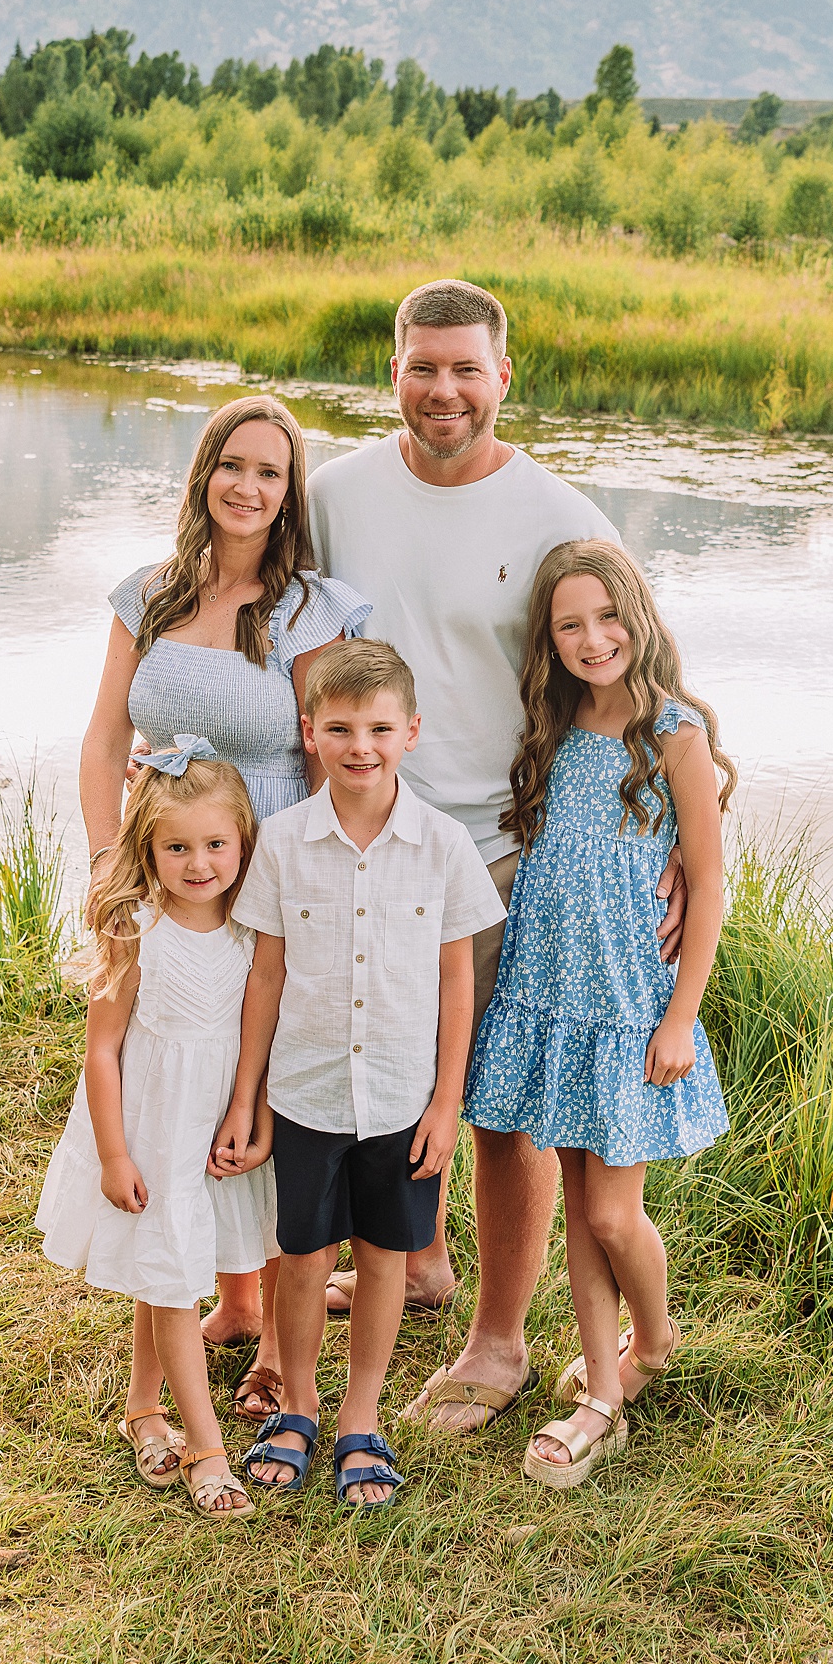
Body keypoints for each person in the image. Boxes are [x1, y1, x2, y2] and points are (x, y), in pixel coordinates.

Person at [306, 277, 689, 1435]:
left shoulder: (560, 517)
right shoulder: (334, 496)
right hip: (368, 841)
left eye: (466, 368)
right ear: (392, 373)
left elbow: (653, 679)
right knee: (367, 1060)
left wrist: (680, 837)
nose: (444, 390)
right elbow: (278, 626)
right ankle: (417, 1265)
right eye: (423, 367)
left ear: (503, 376)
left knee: (499, 1106)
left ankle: (498, 1344)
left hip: (515, 852)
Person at [80, 392, 368, 1422]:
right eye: (232, 465)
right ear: (205, 473)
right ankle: (232, 1300)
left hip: (272, 868)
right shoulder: (146, 596)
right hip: (168, 867)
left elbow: (334, 746)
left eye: (272, 472)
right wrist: (109, 873)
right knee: (184, 1067)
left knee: (279, 1092)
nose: (248, 486)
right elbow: (105, 744)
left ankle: (277, 1338)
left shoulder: (307, 610)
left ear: (290, 493)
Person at [212, 639, 507, 1511]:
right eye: (339, 727)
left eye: (379, 727)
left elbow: (460, 981)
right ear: (311, 732)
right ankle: (297, 1405)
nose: (360, 745)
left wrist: (448, 1101)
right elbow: (266, 973)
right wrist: (247, 1098)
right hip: (303, 1091)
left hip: (401, 1098)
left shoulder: (446, 846)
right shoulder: (284, 844)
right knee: (300, 1255)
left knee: (384, 1256)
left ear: (411, 731)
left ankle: (359, 1417)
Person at [464, 540, 732, 1489]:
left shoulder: (674, 731)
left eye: (607, 616)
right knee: (579, 1198)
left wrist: (679, 1017)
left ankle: (650, 1344)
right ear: (550, 637)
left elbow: (707, 886)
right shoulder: (558, 720)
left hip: (627, 1006)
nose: (592, 638)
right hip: (554, 998)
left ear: (639, 615)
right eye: (570, 624)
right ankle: (603, 1392)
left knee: (615, 1213)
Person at [35, 742, 273, 1522]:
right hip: (150, 1124)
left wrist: (249, 1110)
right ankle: (207, 1447)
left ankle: (144, 1405)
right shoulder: (139, 926)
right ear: (148, 847)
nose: (199, 863)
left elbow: (255, 1036)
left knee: (164, 1263)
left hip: (209, 1126)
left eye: (215, 844)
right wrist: (113, 1151)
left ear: (243, 842)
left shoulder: (250, 929)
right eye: (177, 847)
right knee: (170, 1272)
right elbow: (102, 1048)